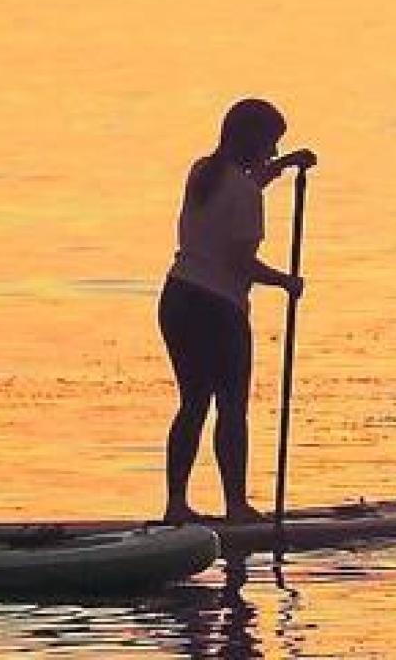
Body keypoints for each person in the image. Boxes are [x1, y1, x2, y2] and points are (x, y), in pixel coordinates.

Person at [159, 99, 314, 524]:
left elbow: (243, 186)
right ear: (252, 141)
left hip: (177, 298)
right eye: (270, 142)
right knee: (231, 406)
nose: (272, 149)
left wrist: (284, 166)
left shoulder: (202, 173)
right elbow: (240, 263)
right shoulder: (243, 193)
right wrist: (286, 282)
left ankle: (176, 504)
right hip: (217, 308)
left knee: (193, 403)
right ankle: (237, 507)